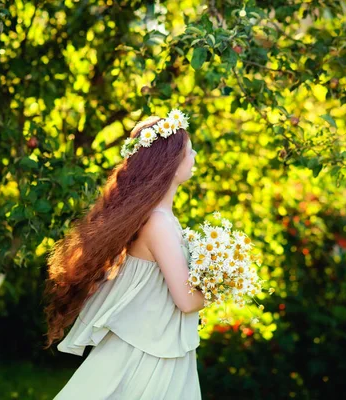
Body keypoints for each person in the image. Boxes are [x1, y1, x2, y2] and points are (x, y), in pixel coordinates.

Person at [44, 109, 205, 399]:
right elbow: (186, 301)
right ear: (171, 162)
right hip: (148, 357)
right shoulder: (159, 224)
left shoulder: (162, 218)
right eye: (190, 152)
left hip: (159, 347)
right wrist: (224, 282)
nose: (194, 158)